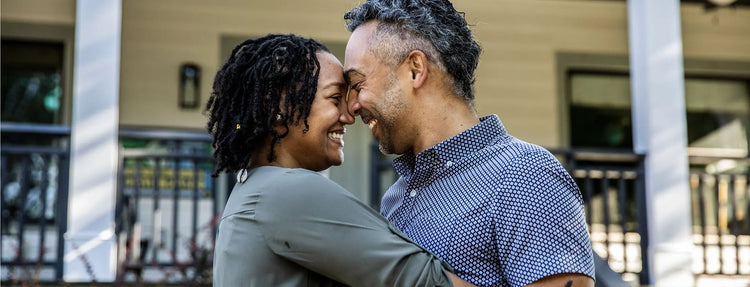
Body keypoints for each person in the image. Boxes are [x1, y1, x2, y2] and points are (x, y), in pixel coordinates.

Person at [342, 1, 595, 286]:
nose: (351, 106)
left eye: (358, 84)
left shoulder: (526, 174)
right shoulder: (395, 197)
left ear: (415, 69)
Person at [207, 34, 474, 287]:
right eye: (336, 98)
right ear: (278, 108)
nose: (349, 115)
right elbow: (424, 281)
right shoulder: (288, 192)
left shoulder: (252, 192)